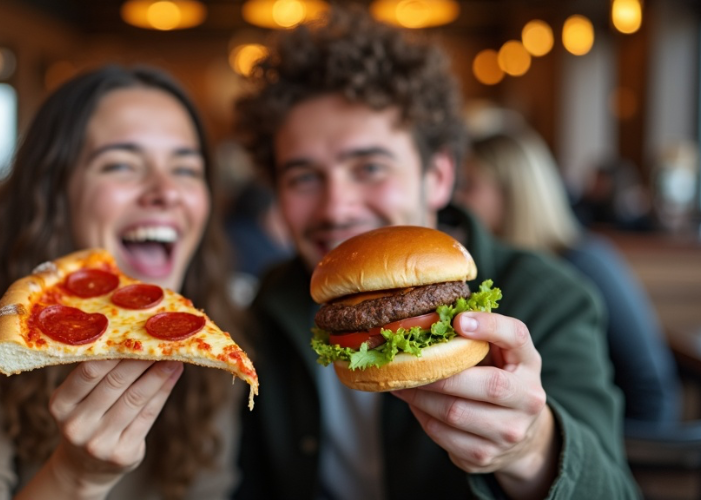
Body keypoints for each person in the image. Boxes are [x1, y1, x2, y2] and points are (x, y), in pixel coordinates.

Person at [233, 6, 639, 499]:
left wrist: (533, 451)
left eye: (370, 167)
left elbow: (617, 491)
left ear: (440, 176)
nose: (336, 206)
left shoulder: (548, 296)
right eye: (303, 177)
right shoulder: (270, 305)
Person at [0, 65, 245, 499]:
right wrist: (77, 476)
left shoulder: (210, 334)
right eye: (121, 165)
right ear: (53, 191)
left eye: (187, 170)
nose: (166, 191)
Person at [457, 125, 681, 424]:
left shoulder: (585, 262)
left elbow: (652, 388)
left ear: (513, 192)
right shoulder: (493, 273)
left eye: (469, 185)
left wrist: (604, 452)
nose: (456, 199)